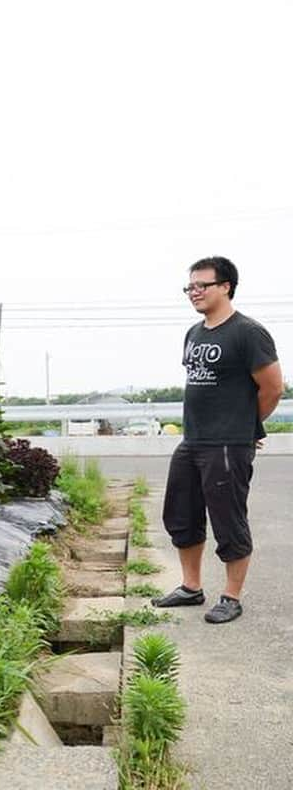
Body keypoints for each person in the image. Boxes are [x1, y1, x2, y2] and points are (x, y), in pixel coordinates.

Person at [153, 256, 284, 623]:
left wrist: (244, 427)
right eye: (189, 287)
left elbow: (273, 388)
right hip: (192, 440)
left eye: (202, 285)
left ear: (225, 286)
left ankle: (231, 596)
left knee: (228, 520)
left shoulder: (247, 332)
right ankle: (191, 587)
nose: (194, 292)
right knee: (182, 515)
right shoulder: (194, 333)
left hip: (227, 444)